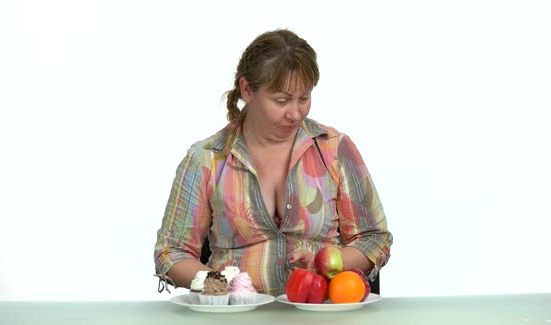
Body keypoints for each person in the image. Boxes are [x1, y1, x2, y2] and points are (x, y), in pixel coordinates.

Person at [154, 29, 393, 296]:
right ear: (247, 89)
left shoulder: (334, 149)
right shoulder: (207, 158)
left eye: (304, 98)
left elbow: (374, 238)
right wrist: (217, 283)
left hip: (321, 316)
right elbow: (171, 252)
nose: (295, 113)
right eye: (281, 100)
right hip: (235, 318)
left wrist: (328, 262)